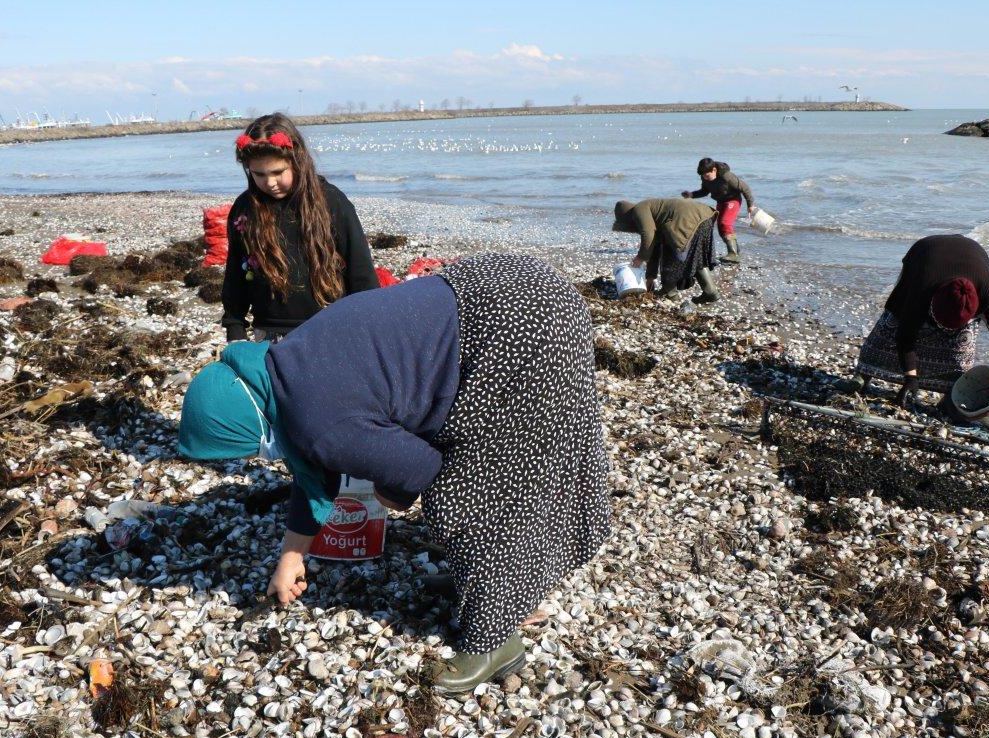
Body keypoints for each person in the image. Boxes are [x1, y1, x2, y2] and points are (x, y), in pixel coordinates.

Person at [179, 254, 612, 694]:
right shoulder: (288, 363)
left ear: (247, 424)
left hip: (518, 334)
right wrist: (293, 556)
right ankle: (481, 580)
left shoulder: (319, 424)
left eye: (248, 447)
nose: (259, 456)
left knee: (472, 492)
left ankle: (493, 639)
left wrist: (390, 490)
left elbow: (419, 466)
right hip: (511, 284)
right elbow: (316, 466)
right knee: (502, 470)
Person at [221, 113, 380, 342]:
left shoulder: (332, 203)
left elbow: (362, 274)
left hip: (331, 328)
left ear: (298, 161)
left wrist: (370, 329)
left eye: (278, 172)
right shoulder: (245, 209)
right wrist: (234, 331)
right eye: (259, 174)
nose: (270, 183)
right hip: (269, 334)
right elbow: (235, 277)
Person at [856, 234, 989, 408]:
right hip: (923, 253)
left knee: (962, 342)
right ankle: (863, 373)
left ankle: (952, 392)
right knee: (893, 323)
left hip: (973, 254)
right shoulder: (922, 288)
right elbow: (905, 336)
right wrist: (910, 377)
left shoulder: (985, 288)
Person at [612, 198, 720, 303]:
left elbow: (648, 234)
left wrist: (640, 257)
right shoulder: (654, 214)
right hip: (705, 217)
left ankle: (671, 294)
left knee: (671, 255)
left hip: (688, 219)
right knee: (694, 256)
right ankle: (710, 292)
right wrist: (650, 278)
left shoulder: (639, 209)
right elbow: (654, 247)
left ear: (627, 218)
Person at [681, 157, 757, 265]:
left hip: (733, 200)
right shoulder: (705, 178)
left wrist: (750, 205)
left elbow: (745, 188)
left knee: (725, 223)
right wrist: (691, 195)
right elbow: (704, 191)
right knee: (721, 228)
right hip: (721, 202)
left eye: (707, 175)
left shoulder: (727, 176)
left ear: (714, 170)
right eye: (703, 176)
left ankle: (733, 254)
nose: (705, 178)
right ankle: (736, 252)